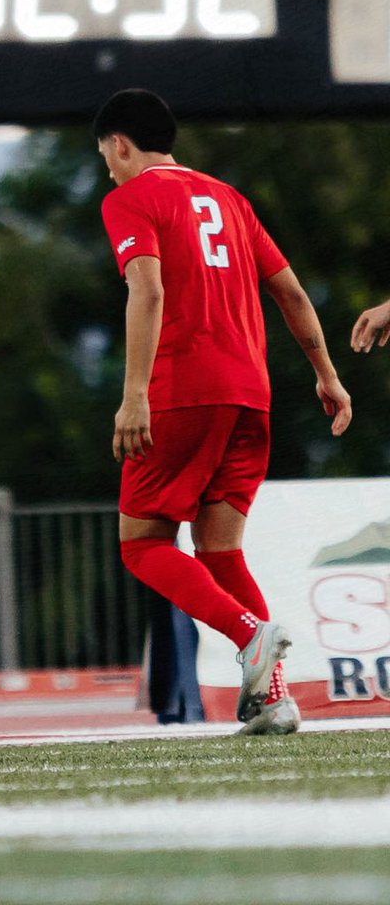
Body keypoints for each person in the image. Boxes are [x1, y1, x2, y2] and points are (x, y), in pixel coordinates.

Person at [94, 89, 352, 736]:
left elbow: (148, 289)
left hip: (183, 389)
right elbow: (291, 292)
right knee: (220, 551)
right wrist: (326, 375)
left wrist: (134, 394)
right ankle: (273, 700)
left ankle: (248, 637)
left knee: (142, 545)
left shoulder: (131, 198)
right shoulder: (229, 199)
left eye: (106, 157)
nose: (109, 170)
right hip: (250, 394)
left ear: (120, 144)